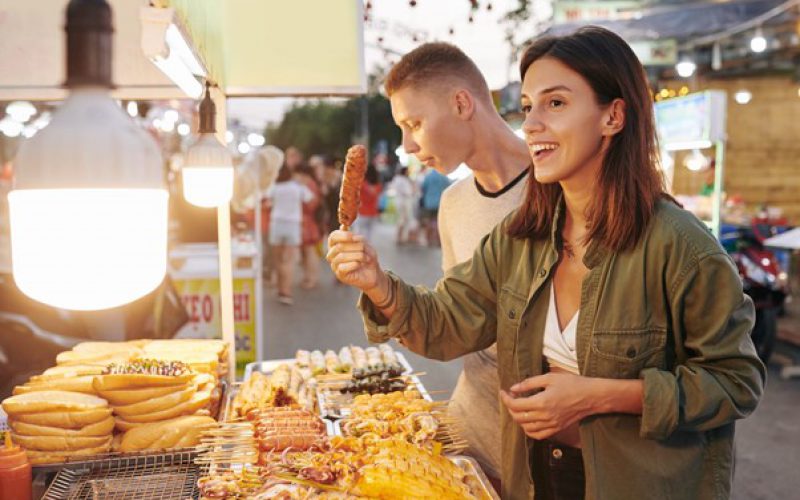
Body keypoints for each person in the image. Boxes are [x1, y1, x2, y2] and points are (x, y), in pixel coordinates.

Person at [327, 26, 765, 500]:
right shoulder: (521, 239)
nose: (532, 123)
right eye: (530, 105)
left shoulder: (680, 247)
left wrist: (598, 395)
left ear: (613, 116)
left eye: (556, 103)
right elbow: (449, 322)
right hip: (536, 477)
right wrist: (378, 285)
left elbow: (735, 381)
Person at [381, 41, 531, 484]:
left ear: (462, 103)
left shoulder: (560, 192)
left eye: (414, 124)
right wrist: (378, 286)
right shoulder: (452, 203)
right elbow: (458, 317)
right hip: (469, 430)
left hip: (549, 448)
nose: (407, 145)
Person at [266, 166, 312, 305]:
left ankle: (281, 288)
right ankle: (286, 291)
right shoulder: (297, 187)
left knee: (278, 259)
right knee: (289, 261)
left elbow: (266, 199)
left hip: (276, 224)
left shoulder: (275, 186)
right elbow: (310, 198)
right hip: (292, 225)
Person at [294, 164, 323, 290]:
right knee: (306, 252)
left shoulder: (309, 185)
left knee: (310, 251)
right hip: (306, 222)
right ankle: (308, 276)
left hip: (308, 222)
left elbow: (312, 204)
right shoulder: (309, 184)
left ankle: (312, 278)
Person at [418, 168, 451, 247]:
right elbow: (449, 187)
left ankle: (428, 240)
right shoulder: (444, 177)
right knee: (440, 223)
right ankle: (439, 241)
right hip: (440, 203)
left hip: (429, 202)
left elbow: (422, 188)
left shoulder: (428, 176)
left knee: (428, 221)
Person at [387, 167, 419, 245]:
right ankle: (400, 237)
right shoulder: (404, 180)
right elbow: (409, 192)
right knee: (403, 220)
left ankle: (400, 237)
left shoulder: (397, 179)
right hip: (404, 202)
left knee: (402, 220)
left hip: (399, 201)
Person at [353, 164, 382, 242]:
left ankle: (358, 251)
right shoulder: (378, 185)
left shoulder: (361, 183)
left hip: (361, 212)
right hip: (373, 212)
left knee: (358, 234)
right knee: (369, 236)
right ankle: (365, 251)